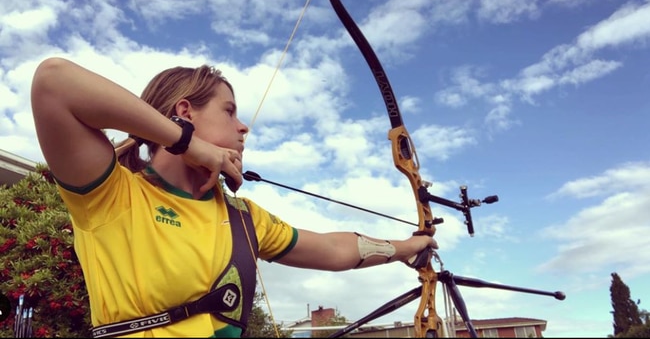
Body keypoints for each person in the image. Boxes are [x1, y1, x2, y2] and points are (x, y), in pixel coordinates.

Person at [30, 56, 438, 338]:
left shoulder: (243, 217)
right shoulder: (112, 194)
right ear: (185, 111)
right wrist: (188, 145)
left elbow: (334, 249)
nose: (243, 128)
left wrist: (409, 247)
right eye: (229, 112)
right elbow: (53, 82)